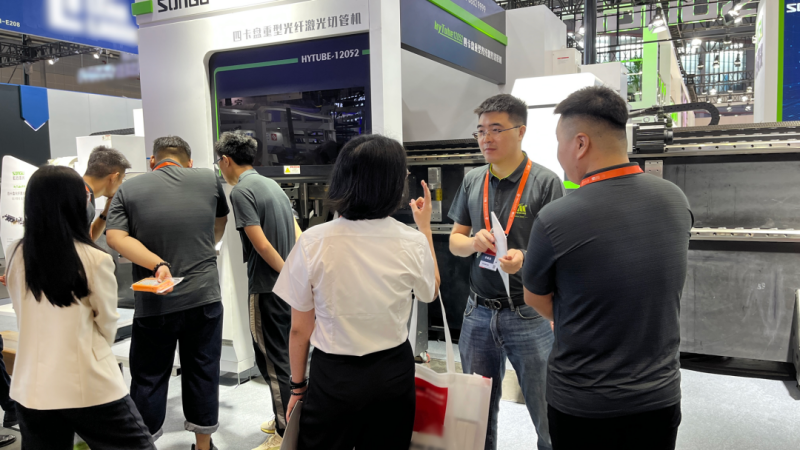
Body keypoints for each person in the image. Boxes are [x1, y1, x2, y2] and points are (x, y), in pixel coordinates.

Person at [522, 86, 692, 450]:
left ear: (580, 144)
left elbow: (534, 298)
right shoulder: (676, 200)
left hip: (583, 404)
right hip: (659, 398)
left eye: (559, 142)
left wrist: (572, 315)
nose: (559, 154)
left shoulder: (556, 218)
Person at [274, 135, 440, 450]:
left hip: (333, 375)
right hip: (392, 373)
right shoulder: (412, 241)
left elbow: (299, 329)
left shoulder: (313, 241)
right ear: (392, 184)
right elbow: (430, 291)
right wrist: (425, 229)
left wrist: (297, 387)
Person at [6, 165, 155, 450]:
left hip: (31, 388)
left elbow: (20, 308)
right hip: (88, 383)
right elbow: (107, 324)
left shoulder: (15, 252)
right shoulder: (94, 259)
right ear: (77, 203)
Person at [448, 94, 564, 450]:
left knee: (547, 412)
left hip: (527, 313)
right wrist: (473, 243)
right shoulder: (473, 180)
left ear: (521, 131)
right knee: (475, 418)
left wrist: (524, 259)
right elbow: (454, 242)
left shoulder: (545, 182)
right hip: (478, 314)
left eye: (496, 129)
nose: (486, 138)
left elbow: (559, 252)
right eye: (481, 131)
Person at [107, 136, 230, 450]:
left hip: (155, 302)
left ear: (152, 161)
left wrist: (156, 262)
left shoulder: (129, 189)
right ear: (189, 162)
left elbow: (115, 237)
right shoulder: (208, 179)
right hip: (204, 297)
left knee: (149, 376)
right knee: (203, 371)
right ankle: (203, 446)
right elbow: (219, 223)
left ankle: (143, 445)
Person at [215, 132, 302, 450]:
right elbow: (297, 232)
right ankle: (288, 417)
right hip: (286, 288)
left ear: (226, 160)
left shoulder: (241, 191)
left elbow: (261, 244)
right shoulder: (272, 185)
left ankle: (284, 432)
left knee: (272, 361)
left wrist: (287, 275)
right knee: (287, 358)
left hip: (268, 287)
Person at [83, 146, 131, 241]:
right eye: (122, 179)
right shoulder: (82, 200)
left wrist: (106, 211)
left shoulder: (83, 193)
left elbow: (86, 239)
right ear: (114, 177)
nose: (121, 184)